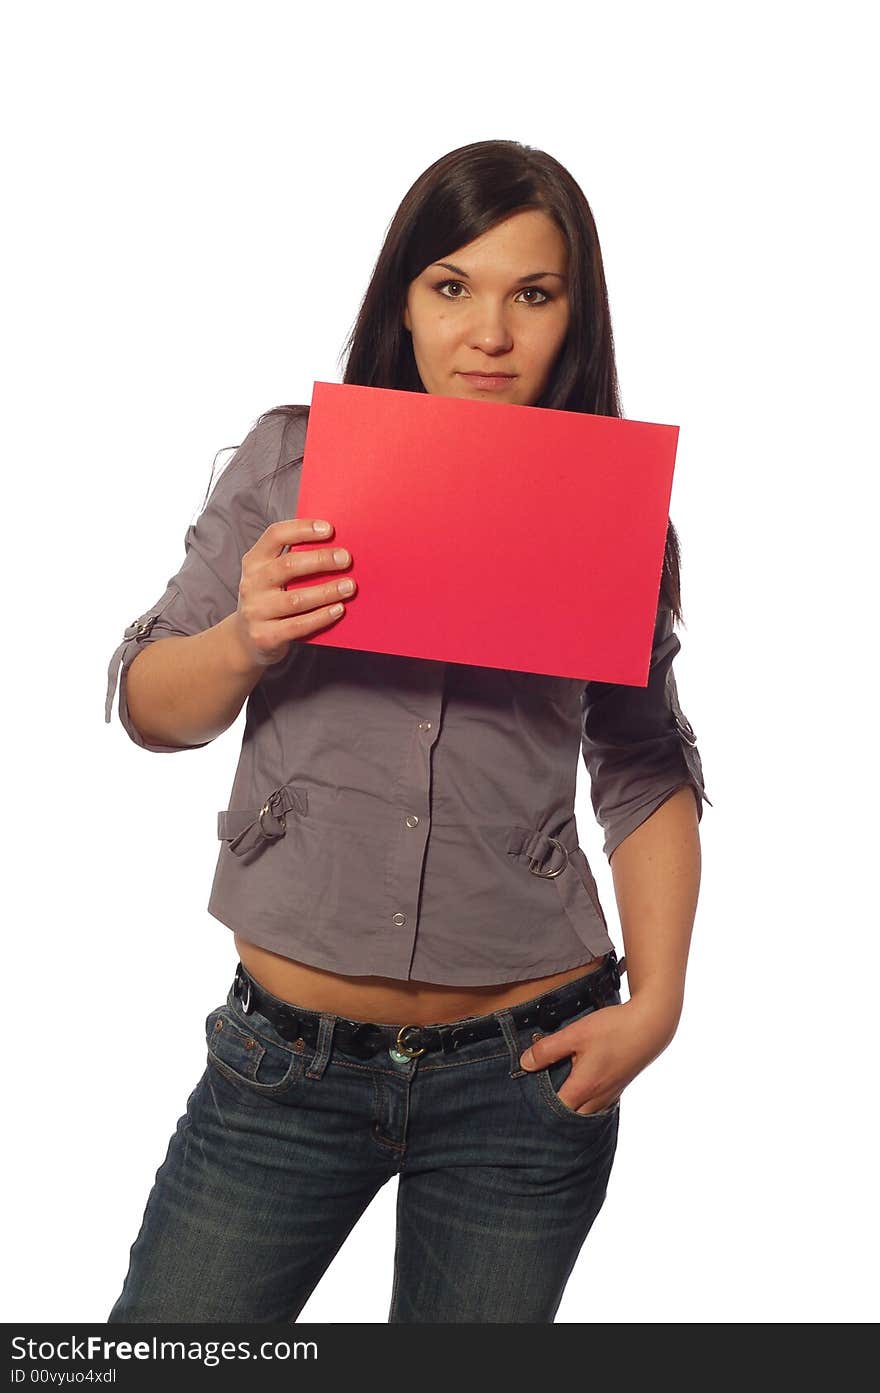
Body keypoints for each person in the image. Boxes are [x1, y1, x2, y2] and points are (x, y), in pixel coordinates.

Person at [103, 138, 710, 1324]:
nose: (489, 333)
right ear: (403, 298)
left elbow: (642, 769)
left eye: (531, 294)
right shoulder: (290, 464)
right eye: (452, 287)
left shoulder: (609, 512)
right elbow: (145, 704)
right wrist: (245, 637)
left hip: (523, 1077)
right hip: (282, 1068)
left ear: (572, 317)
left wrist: (658, 1005)